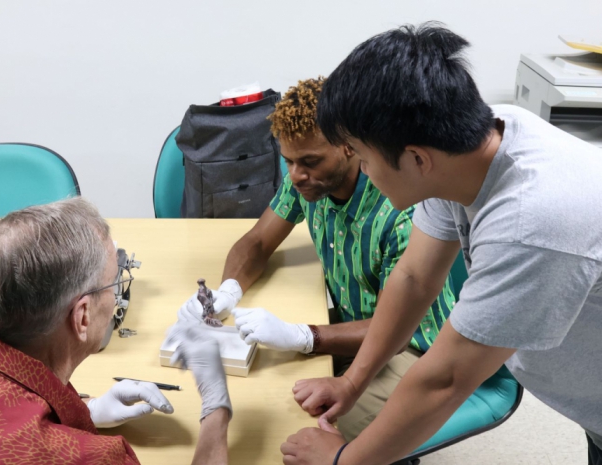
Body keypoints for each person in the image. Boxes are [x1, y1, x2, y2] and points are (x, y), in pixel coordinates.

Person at [282, 23, 602, 465]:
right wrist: (352, 383)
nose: (365, 171)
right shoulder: (464, 148)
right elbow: (414, 278)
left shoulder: (531, 223)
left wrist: (343, 461)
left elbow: (446, 379)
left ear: (416, 159)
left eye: (364, 157)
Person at [178, 78, 456, 442]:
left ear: (350, 148)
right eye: (288, 161)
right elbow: (257, 242)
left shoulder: (399, 212)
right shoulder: (310, 180)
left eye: (309, 161)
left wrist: (305, 335)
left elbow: (394, 330)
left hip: (416, 348)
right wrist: (228, 291)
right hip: (356, 325)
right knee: (259, 389)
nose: (295, 175)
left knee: (312, 433)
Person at [0, 198, 232, 465]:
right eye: (113, 284)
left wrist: (86, 408)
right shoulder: (96, 459)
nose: (116, 295)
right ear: (82, 316)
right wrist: (215, 408)